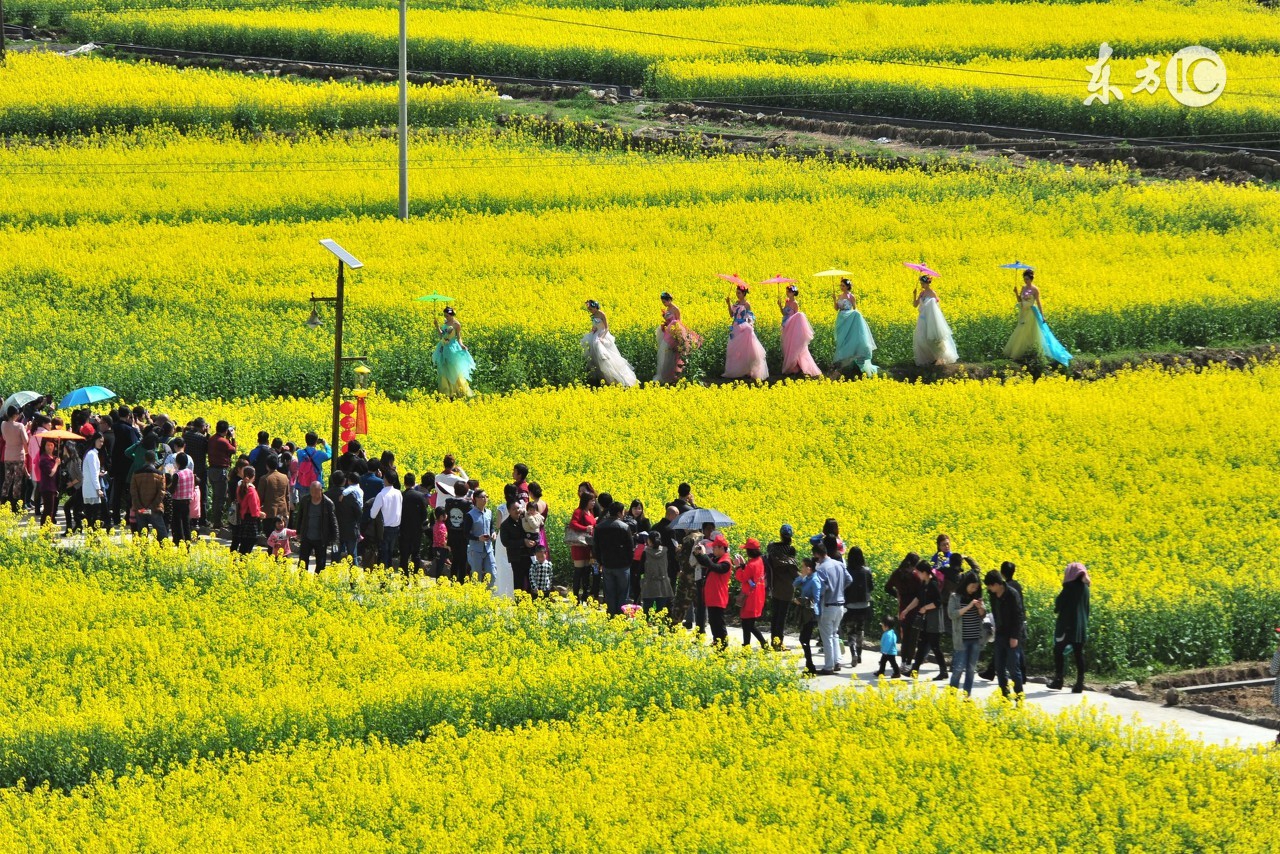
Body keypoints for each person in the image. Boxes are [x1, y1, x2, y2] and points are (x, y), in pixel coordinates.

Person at [1003, 268, 1071, 367]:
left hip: (1031, 313)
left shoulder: (1035, 289)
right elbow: (1020, 301)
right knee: (1021, 331)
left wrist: (1043, 316)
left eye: (1027, 279)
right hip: (1023, 313)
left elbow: (1038, 303)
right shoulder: (1023, 287)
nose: (1025, 281)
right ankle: (1023, 355)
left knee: (1026, 332)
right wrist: (1016, 293)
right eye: (1024, 279)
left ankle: (1025, 355)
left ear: (1031, 279)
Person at [1049, 562, 1091, 692]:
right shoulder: (1086, 588)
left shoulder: (1069, 587)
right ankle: (1079, 683)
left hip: (1067, 625)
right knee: (1078, 654)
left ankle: (1059, 680)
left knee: (1058, 651)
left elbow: (1059, 605)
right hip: (1081, 627)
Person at [903, 560, 949, 680]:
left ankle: (943, 671)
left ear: (924, 572)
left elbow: (938, 602)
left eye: (918, 572)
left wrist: (925, 608)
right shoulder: (924, 584)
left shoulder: (933, 584)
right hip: (926, 621)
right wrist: (906, 610)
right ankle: (914, 671)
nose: (917, 574)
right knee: (922, 645)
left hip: (934, 621)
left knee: (935, 646)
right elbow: (918, 598)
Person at [985, 569, 1026, 699]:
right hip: (1000, 634)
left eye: (990, 586)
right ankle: (1005, 696)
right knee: (999, 667)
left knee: (1013, 668)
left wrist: (1014, 637)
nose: (989, 589)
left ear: (996, 584)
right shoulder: (992, 595)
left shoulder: (1012, 594)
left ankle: (1019, 696)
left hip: (1012, 636)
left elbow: (1018, 616)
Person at [581, 299, 638, 387]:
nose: (590, 311)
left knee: (605, 355)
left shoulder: (602, 314)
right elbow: (595, 325)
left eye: (591, 309)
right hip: (596, 334)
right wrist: (593, 329)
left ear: (596, 307)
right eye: (589, 310)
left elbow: (607, 328)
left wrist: (602, 337)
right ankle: (601, 378)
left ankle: (615, 377)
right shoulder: (593, 315)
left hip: (603, 334)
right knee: (595, 354)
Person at [813, 543, 850, 675]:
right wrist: (839, 590)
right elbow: (849, 579)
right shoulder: (839, 564)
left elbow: (821, 589)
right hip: (840, 605)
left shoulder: (821, 569)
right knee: (834, 634)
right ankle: (837, 661)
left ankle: (828, 666)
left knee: (827, 637)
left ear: (817, 554)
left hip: (828, 606)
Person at [948, 570, 987, 695]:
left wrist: (980, 608)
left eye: (976, 588)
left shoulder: (977, 598)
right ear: (966, 584)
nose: (974, 590)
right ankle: (952, 695)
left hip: (975, 638)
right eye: (972, 587)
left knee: (970, 669)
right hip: (962, 639)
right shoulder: (955, 597)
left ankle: (967, 695)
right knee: (958, 668)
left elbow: (983, 615)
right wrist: (969, 606)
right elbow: (952, 614)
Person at [593, 501, 634, 615]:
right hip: (622, 565)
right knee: (623, 592)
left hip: (606, 564)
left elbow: (596, 547)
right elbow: (630, 547)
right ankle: (620, 615)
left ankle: (611, 615)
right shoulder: (624, 527)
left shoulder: (600, 527)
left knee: (609, 592)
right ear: (619, 513)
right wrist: (629, 562)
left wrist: (601, 562)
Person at [654, 291, 703, 385]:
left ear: (669, 300)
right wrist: (665, 323)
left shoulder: (676, 309)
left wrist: (677, 333)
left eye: (664, 302)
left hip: (674, 333)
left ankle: (674, 376)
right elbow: (669, 321)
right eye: (662, 302)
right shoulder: (667, 308)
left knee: (674, 354)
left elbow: (679, 322)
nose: (663, 304)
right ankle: (665, 376)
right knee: (665, 353)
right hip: (668, 332)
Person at [693, 534, 733, 649]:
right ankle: (717, 642)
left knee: (719, 623)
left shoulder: (726, 562)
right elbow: (707, 563)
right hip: (712, 596)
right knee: (713, 622)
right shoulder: (717, 558)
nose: (713, 549)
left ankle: (723, 647)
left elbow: (714, 567)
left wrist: (704, 555)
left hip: (718, 596)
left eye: (714, 547)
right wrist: (698, 554)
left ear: (721, 548)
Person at [722, 284, 769, 381]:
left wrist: (750, 326)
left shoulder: (747, 304)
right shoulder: (736, 303)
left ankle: (747, 371)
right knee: (734, 351)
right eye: (736, 292)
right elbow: (731, 315)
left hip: (744, 329)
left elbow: (750, 317)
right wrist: (728, 303)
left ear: (744, 293)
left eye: (739, 293)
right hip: (735, 328)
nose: (737, 294)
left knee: (746, 351)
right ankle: (737, 371)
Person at [832, 278, 878, 375]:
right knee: (841, 339)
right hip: (841, 319)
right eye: (840, 285)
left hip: (849, 319)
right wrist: (834, 300)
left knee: (849, 338)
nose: (841, 287)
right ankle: (842, 362)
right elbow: (836, 309)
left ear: (848, 286)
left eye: (843, 285)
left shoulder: (851, 296)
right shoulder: (839, 296)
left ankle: (850, 362)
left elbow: (855, 309)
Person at [765, 525, 800, 650]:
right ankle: (779, 643)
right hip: (787, 590)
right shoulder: (791, 551)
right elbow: (795, 574)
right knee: (782, 617)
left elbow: (769, 549)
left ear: (780, 535)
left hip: (775, 587)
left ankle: (774, 642)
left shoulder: (772, 549)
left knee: (775, 616)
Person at [885, 552, 922, 667]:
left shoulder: (897, 573)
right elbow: (920, 593)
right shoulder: (916, 576)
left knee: (905, 636)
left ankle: (903, 662)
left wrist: (897, 595)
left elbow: (887, 587)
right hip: (915, 607)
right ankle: (909, 662)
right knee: (913, 637)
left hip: (902, 606)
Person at [912, 274, 958, 366]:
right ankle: (930, 358)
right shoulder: (921, 293)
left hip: (931, 320)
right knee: (922, 340)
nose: (921, 285)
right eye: (921, 283)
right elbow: (915, 305)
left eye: (923, 283)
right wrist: (914, 295)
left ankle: (939, 358)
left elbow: (936, 307)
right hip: (922, 320)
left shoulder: (933, 293)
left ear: (927, 283)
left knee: (934, 339)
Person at [777, 284, 821, 377]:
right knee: (788, 347)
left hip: (793, 327)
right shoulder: (787, 302)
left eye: (789, 291)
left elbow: (797, 317)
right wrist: (780, 306)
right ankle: (793, 368)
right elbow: (784, 313)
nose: (787, 293)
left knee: (794, 346)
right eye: (787, 291)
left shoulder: (795, 303)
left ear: (793, 293)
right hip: (786, 326)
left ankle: (799, 367)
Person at [295, 481, 338, 573]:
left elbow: (333, 522)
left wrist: (335, 539)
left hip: (321, 538)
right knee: (303, 561)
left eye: (316, 492)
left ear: (321, 491)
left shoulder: (328, 503)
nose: (314, 495)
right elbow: (300, 517)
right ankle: (302, 580)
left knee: (321, 563)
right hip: (307, 536)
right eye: (312, 492)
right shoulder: (305, 500)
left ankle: (318, 582)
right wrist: (298, 532)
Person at [433, 306, 476, 398]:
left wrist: (461, 345)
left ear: (452, 315)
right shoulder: (445, 323)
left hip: (452, 347)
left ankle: (458, 390)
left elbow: (459, 337)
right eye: (444, 315)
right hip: (443, 347)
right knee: (444, 368)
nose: (445, 317)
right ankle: (447, 392)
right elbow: (442, 336)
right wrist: (437, 327)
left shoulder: (457, 324)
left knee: (454, 368)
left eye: (447, 316)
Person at [843, 546, 874, 665]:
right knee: (860, 629)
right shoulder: (867, 570)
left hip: (850, 605)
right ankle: (859, 655)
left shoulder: (847, 570)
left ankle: (853, 653)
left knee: (851, 631)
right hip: (863, 605)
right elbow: (871, 587)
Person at [500, 499, 537, 597]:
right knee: (518, 582)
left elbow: (535, 532)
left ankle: (533, 602)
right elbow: (505, 542)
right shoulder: (505, 525)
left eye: (518, 508)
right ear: (508, 511)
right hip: (516, 557)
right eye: (514, 509)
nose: (517, 511)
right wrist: (523, 542)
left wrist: (534, 542)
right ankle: (519, 604)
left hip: (529, 555)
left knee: (532, 580)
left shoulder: (526, 520)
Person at [793, 557, 824, 674]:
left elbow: (816, 599)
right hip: (805, 611)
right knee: (803, 639)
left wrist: (802, 601)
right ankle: (809, 665)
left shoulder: (815, 580)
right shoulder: (807, 578)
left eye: (803, 567)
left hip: (811, 613)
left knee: (804, 639)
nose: (801, 568)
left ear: (809, 569)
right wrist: (802, 576)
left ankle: (810, 667)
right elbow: (795, 583)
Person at [736, 537, 768, 647]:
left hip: (750, 597)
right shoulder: (759, 561)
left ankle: (760, 644)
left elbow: (742, 577)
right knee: (749, 623)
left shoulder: (751, 564)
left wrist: (738, 567)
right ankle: (753, 645)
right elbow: (751, 576)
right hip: (758, 595)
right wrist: (744, 565)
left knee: (747, 624)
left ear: (749, 551)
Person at [130, 451, 168, 541]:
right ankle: (162, 552)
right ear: (155, 460)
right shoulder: (159, 474)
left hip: (140, 508)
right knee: (161, 534)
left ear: (144, 459)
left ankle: (143, 552)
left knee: (142, 533)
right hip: (154, 508)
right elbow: (161, 492)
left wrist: (141, 506)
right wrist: (151, 507)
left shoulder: (136, 474)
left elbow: (133, 492)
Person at [567, 491, 596, 604]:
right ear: (585, 501)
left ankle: (585, 595)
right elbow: (572, 524)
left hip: (587, 546)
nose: (594, 502)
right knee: (578, 572)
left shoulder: (590, 512)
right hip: (579, 546)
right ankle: (575, 597)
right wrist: (585, 528)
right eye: (591, 500)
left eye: (594, 500)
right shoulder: (578, 511)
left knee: (586, 571)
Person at [370, 469, 403, 568]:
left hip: (384, 529)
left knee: (383, 553)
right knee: (390, 552)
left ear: (385, 479)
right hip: (396, 527)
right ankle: (388, 574)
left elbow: (372, 514)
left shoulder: (381, 495)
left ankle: (383, 577)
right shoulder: (398, 493)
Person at [207, 421, 236, 530]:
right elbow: (233, 450)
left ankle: (216, 520)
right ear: (225, 430)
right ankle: (217, 522)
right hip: (220, 471)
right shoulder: (223, 441)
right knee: (221, 497)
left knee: (215, 496)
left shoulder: (212, 439)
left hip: (212, 470)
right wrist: (233, 438)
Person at [399, 472, 430, 574]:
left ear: (404, 483)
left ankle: (404, 577)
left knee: (404, 554)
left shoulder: (401, 495)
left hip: (403, 528)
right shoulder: (420, 496)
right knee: (415, 553)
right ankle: (415, 576)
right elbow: (424, 514)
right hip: (417, 529)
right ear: (414, 483)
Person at [2, 406, 30, 514]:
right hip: (18, 456)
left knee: (7, 480)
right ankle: (15, 505)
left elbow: (5, 438)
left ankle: (3, 502)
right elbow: (25, 440)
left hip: (8, 455)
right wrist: (26, 428)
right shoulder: (20, 426)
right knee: (17, 481)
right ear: (15, 415)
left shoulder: (3, 424)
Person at [466, 489, 495, 585]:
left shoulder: (489, 512)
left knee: (492, 574)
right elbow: (465, 533)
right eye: (482, 497)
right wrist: (478, 538)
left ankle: (489, 596)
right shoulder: (470, 515)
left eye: (486, 497)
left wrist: (493, 533)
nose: (485, 499)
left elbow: (491, 527)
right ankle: (477, 596)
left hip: (488, 548)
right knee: (476, 575)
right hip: (476, 549)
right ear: (475, 499)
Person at [639, 532, 673, 614]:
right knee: (660, 612)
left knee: (646, 611)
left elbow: (640, 569)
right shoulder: (665, 551)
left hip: (649, 584)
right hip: (663, 584)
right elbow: (670, 567)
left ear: (649, 541)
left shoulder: (646, 552)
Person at [259, 460, 291, 538]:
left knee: (270, 537)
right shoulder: (284, 477)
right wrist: (288, 511)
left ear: (267, 466)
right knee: (280, 537)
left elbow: (260, 496)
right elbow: (287, 496)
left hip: (269, 511)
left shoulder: (264, 478)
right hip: (282, 510)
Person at [80, 431, 106, 530]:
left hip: (90, 487)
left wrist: (99, 473)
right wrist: (98, 489)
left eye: (102, 442)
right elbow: (93, 474)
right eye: (100, 441)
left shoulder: (92, 453)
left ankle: (92, 536)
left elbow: (93, 472)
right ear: (95, 440)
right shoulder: (92, 455)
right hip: (91, 488)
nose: (101, 443)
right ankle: (92, 537)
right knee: (93, 515)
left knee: (91, 515)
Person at [295, 432, 331, 501]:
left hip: (302, 482)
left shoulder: (299, 453)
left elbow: (298, 450)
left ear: (306, 441)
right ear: (316, 441)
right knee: (315, 504)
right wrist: (325, 444)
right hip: (315, 483)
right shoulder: (319, 454)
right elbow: (329, 455)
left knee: (303, 505)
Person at [169, 453, 196, 544]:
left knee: (178, 523)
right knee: (186, 523)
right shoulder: (190, 472)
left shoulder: (177, 474)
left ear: (177, 463)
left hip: (177, 501)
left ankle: (180, 542)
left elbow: (172, 489)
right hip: (187, 501)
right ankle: (188, 542)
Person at [35, 439, 60, 528]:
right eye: (48, 445)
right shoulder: (44, 459)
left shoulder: (52, 457)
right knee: (48, 511)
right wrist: (56, 464)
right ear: (44, 447)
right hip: (47, 487)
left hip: (52, 487)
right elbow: (51, 473)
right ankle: (45, 530)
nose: (50, 447)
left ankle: (46, 530)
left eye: (51, 445)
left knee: (50, 510)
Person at [431, 506, 451, 578]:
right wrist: (448, 547)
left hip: (435, 547)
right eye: (445, 514)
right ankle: (438, 581)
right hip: (441, 549)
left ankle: (438, 580)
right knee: (440, 566)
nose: (447, 515)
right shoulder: (442, 526)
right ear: (441, 516)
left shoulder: (436, 524)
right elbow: (443, 539)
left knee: (438, 565)